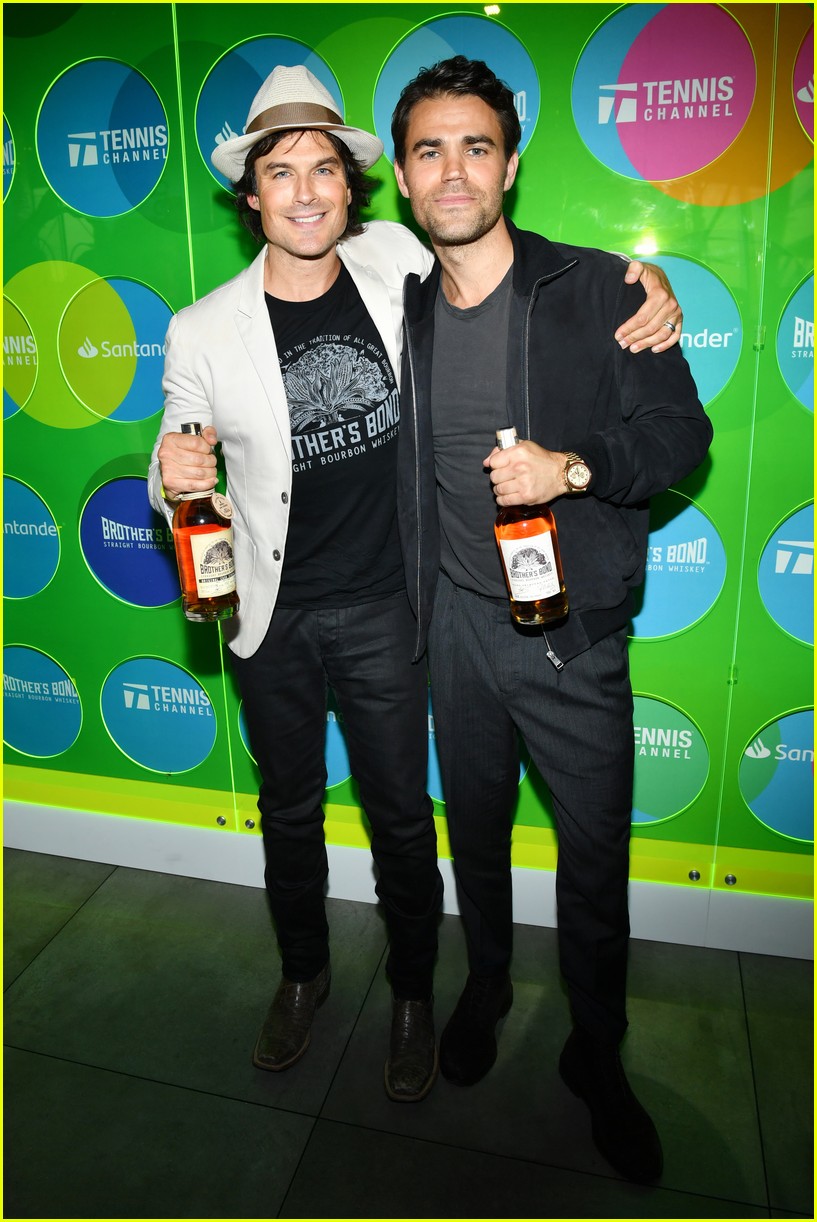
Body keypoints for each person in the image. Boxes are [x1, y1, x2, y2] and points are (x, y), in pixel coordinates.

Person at [147, 64, 685, 1108]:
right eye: (278, 172)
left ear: (356, 187)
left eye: (323, 170)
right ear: (249, 195)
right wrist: (168, 481)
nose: (304, 192)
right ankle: (310, 975)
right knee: (297, 812)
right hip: (285, 618)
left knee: (414, 823)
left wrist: (645, 286)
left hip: (406, 613)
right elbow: (177, 456)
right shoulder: (203, 328)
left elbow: (529, 286)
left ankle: (441, 1004)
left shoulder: (400, 264)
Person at [391, 56, 712, 1179]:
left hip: (572, 639)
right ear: (400, 174)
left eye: (475, 145)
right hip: (458, 644)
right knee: (472, 836)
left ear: (512, 164)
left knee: (591, 861)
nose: (454, 169)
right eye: (429, 148)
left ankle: (598, 1051)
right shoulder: (400, 303)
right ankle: (481, 984)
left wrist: (572, 471)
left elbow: (684, 441)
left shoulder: (603, 290)